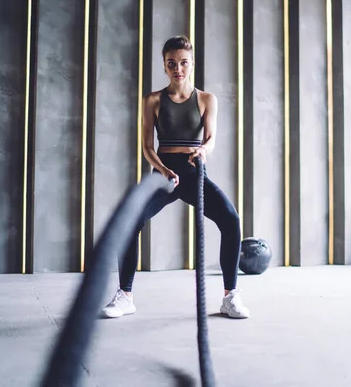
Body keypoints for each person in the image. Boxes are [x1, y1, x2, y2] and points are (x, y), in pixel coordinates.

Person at [101, 35, 250, 320]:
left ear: (192, 64)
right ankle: (125, 296)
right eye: (172, 63)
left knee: (231, 220)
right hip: (163, 172)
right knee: (132, 220)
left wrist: (203, 151)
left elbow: (211, 138)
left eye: (183, 63)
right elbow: (146, 145)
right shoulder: (153, 100)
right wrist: (163, 169)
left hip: (193, 170)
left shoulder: (207, 99)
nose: (178, 69)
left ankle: (230, 296)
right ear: (164, 66)